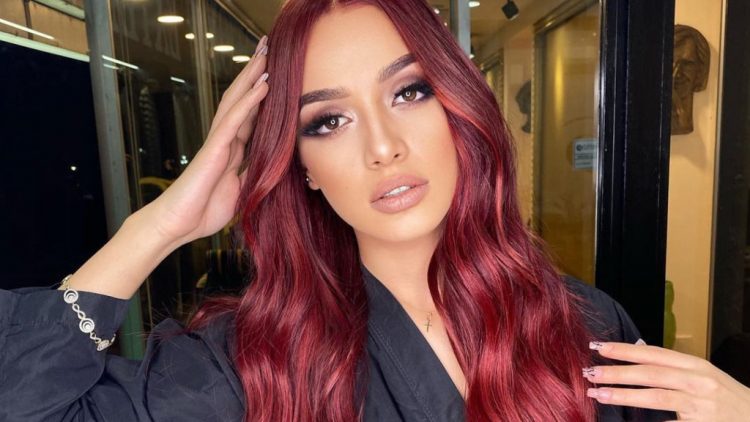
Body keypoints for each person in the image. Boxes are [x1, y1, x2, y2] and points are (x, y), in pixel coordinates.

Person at [1, 0, 749, 421]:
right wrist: (159, 225)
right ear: (302, 165)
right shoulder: (253, 365)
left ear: (457, 109)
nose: (384, 146)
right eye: (329, 121)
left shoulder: (585, 324)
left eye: (409, 91)